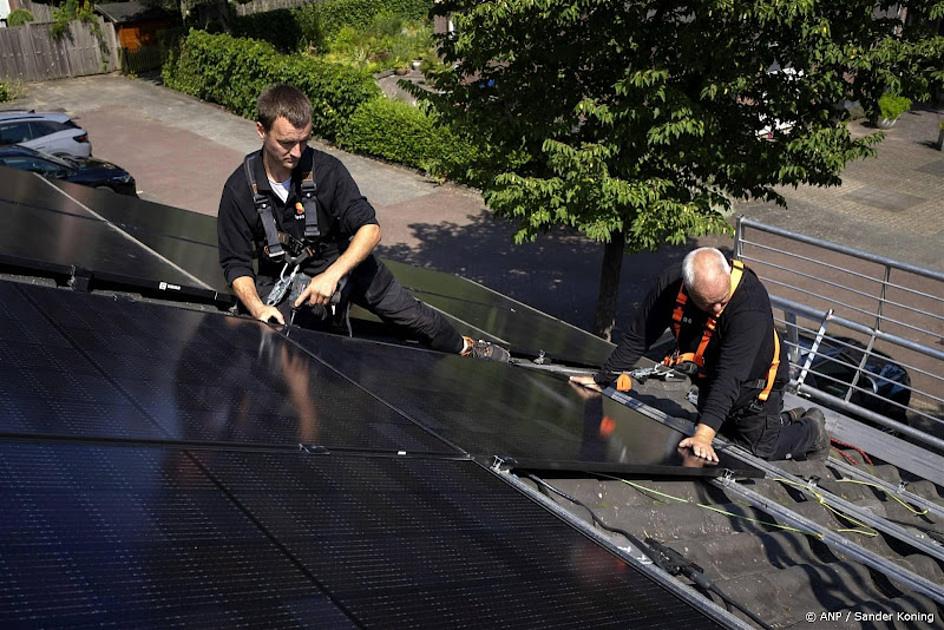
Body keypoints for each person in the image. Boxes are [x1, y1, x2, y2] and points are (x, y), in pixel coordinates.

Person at [218, 84, 509, 361]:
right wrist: (258, 308)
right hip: (284, 281)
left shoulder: (328, 171)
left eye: (304, 142)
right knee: (284, 345)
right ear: (261, 130)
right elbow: (236, 264)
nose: (296, 153)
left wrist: (332, 275)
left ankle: (465, 347)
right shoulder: (239, 189)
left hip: (348, 268)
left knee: (420, 322)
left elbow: (370, 230)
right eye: (286, 143)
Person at [571, 247, 828, 462]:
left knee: (758, 449)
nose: (717, 309)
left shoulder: (750, 307)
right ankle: (783, 420)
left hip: (754, 384)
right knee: (723, 431)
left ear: (726, 275)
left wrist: (703, 436)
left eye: (722, 300)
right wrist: (604, 378)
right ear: (689, 287)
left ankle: (811, 430)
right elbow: (640, 336)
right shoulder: (672, 285)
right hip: (711, 374)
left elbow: (731, 376)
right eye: (708, 303)